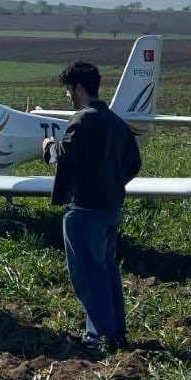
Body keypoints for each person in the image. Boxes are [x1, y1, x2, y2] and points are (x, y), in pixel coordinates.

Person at [42, 61, 141, 352]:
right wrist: (112, 184)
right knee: (106, 270)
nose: (67, 96)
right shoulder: (116, 122)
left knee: (87, 274)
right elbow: (135, 163)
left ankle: (97, 337)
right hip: (110, 208)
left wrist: (48, 146)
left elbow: (65, 154)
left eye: (68, 90)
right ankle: (116, 333)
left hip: (84, 209)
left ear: (79, 89)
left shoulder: (83, 120)